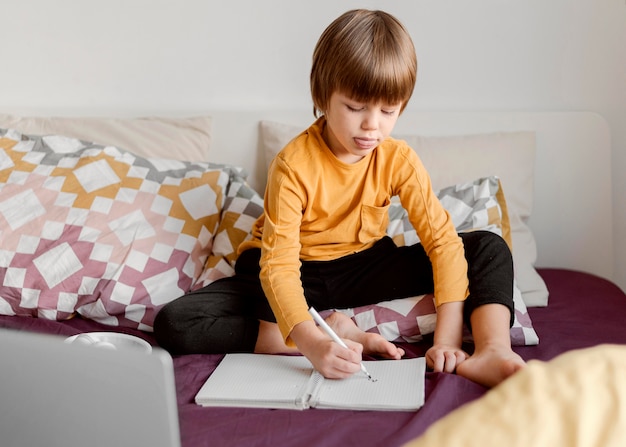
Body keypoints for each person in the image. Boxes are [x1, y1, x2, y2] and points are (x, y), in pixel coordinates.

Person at [154, 8, 525, 388]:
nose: (371, 125)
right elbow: (279, 266)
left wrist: (446, 342)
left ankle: (492, 349)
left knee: (488, 247)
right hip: (292, 266)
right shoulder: (292, 165)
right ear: (323, 96)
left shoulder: (399, 160)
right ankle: (329, 330)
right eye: (355, 107)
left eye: (388, 110)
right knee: (175, 324)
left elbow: (442, 242)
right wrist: (313, 342)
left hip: (361, 264)